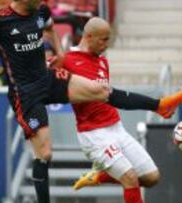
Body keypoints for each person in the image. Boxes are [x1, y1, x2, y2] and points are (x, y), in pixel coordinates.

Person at [0, 1, 182, 202]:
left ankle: (159, 105)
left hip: (48, 77)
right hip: (25, 93)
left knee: (100, 91)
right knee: (44, 154)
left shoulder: (40, 9)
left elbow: (50, 25)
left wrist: (59, 54)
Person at [62, 17, 159, 203]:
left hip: (116, 127)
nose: (107, 45)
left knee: (152, 177)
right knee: (130, 178)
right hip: (93, 133)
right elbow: (37, 72)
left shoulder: (103, 62)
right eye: (103, 40)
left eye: (109, 39)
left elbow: (107, 95)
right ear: (88, 36)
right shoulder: (66, 60)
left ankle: (98, 177)